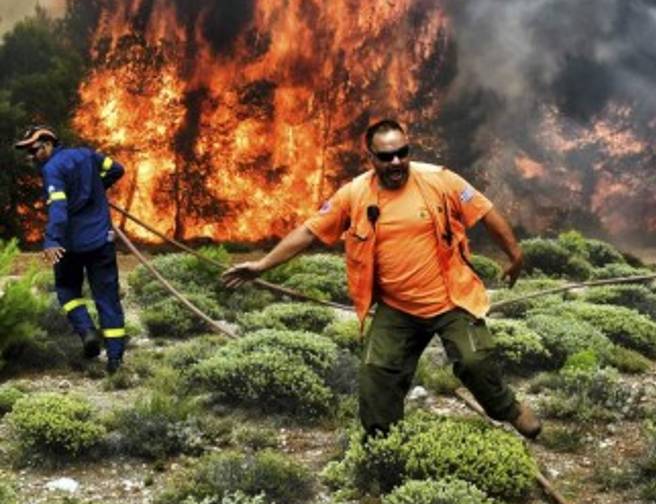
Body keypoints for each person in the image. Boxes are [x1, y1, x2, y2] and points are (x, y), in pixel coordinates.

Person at [221, 119, 540, 440]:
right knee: (375, 376)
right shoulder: (354, 194)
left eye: (402, 153)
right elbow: (309, 231)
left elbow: (485, 211)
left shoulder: (440, 180)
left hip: (452, 299)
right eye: (386, 156)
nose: (396, 162)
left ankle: (509, 410)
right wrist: (262, 265)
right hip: (397, 307)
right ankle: (382, 444)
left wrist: (515, 255)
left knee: (474, 363)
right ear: (371, 158)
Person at [14, 125, 127, 373]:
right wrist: (99, 187)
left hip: (71, 245)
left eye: (33, 150)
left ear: (48, 143)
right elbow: (117, 169)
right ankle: (115, 360)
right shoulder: (87, 155)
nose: (31, 157)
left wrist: (52, 240)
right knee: (107, 299)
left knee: (66, 290)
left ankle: (87, 332)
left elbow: (59, 210)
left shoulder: (52, 169)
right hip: (101, 241)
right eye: (27, 153)